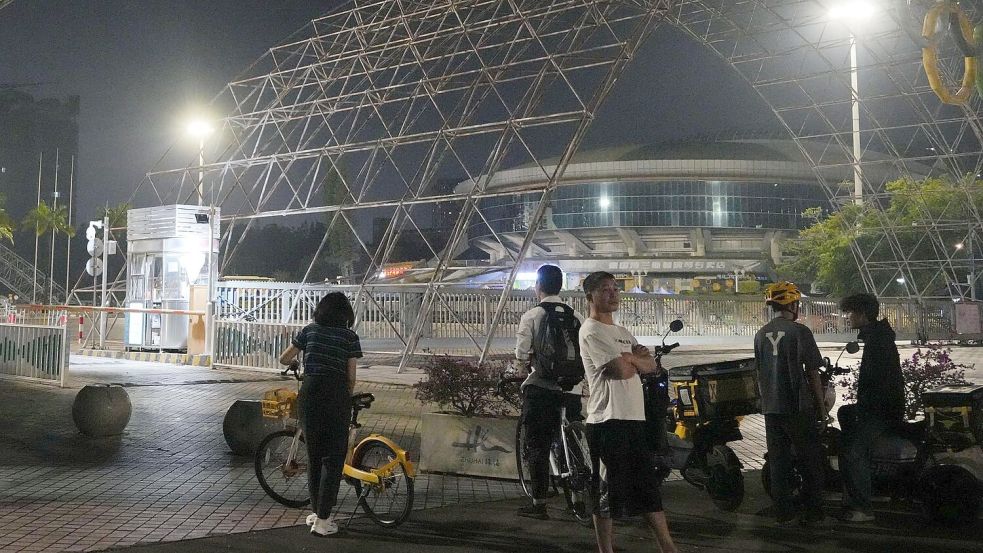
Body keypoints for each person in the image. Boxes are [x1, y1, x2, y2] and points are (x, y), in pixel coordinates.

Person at [579, 271, 678, 553]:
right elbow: (621, 371)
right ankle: (605, 549)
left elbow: (651, 367)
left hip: (634, 418)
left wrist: (632, 358)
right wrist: (635, 360)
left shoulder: (622, 333)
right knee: (606, 489)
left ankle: (668, 546)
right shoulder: (591, 330)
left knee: (648, 486)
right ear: (591, 296)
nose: (613, 294)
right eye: (605, 289)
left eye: (615, 289)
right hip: (607, 420)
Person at [278, 292, 362, 537]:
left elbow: (284, 358)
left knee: (315, 456)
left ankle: (317, 514)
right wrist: (344, 396)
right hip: (335, 395)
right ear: (346, 314)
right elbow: (352, 377)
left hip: (310, 394)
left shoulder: (310, 331)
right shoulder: (349, 337)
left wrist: (297, 365)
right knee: (333, 458)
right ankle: (324, 521)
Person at [514, 264, 585, 520]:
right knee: (573, 442)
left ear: (538, 286)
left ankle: (539, 503)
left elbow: (521, 356)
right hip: (573, 388)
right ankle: (578, 499)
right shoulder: (576, 316)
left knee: (538, 445)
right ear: (561, 286)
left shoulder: (532, 315)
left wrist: (520, 370)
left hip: (542, 388)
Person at [753, 281, 827, 527]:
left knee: (778, 461)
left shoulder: (760, 334)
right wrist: (822, 408)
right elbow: (813, 372)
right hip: (797, 406)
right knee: (811, 459)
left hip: (771, 408)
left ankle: (783, 512)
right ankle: (814, 511)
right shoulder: (800, 332)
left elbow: (759, 371)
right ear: (792, 304)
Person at [836, 292, 904, 523]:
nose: (848, 317)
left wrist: (865, 408)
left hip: (882, 411)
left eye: (851, 313)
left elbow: (879, 380)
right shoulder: (877, 336)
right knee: (844, 414)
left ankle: (863, 508)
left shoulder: (878, 340)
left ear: (863, 314)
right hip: (878, 406)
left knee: (855, 452)